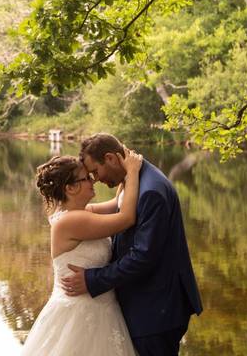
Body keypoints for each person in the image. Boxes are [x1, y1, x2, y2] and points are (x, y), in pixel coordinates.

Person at [61, 133, 202, 356]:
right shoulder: (133, 180)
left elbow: (142, 256)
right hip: (144, 304)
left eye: (95, 172)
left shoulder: (150, 191)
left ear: (110, 158)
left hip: (156, 310)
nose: (95, 179)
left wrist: (92, 279)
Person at [21, 150, 144, 355]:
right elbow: (126, 218)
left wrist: (120, 172)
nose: (93, 181)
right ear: (71, 188)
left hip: (101, 308)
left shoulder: (80, 213)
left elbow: (117, 205)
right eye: (86, 178)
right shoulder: (72, 221)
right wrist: (132, 172)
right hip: (79, 313)